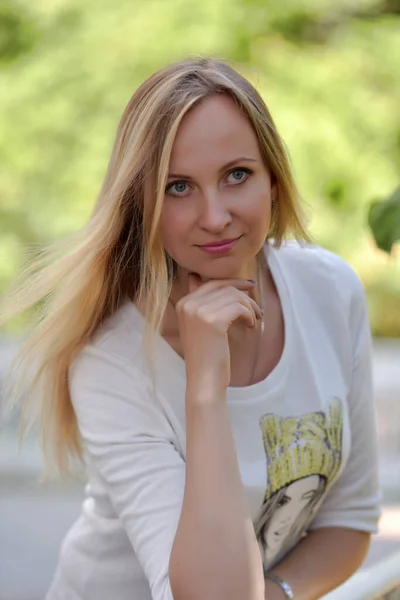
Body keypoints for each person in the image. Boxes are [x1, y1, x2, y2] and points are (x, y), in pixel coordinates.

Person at [0, 56, 381, 600]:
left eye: (237, 175)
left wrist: (275, 593)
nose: (215, 215)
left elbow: (350, 518)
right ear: (143, 206)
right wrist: (205, 385)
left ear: (273, 179)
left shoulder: (330, 290)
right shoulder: (112, 363)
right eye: (179, 187)